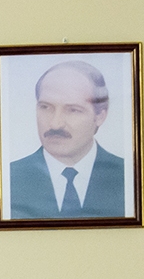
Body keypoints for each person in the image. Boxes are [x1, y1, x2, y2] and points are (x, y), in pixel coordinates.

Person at [8, 60, 125, 219]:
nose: (55, 124)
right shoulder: (9, 179)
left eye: (73, 110)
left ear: (100, 116)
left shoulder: (128, 178)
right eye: (46, 107)